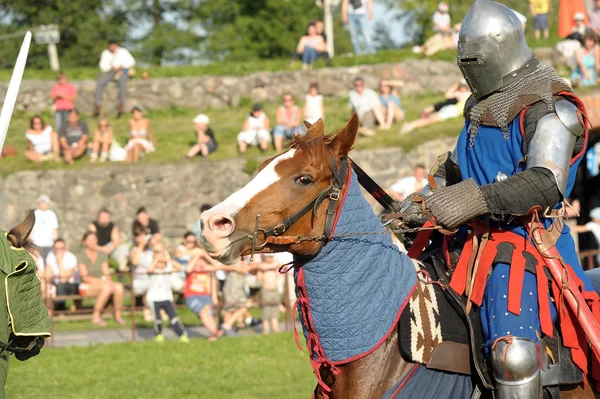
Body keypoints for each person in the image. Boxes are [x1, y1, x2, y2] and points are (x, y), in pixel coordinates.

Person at [387, 1, 597, 396]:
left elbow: (545, 181)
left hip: (524, 245)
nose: (468, 69)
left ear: (499, 51)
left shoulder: (551, 106)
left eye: (474, 60)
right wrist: (422, 202)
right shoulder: (480, 106)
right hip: (467, 243)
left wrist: (475, 199)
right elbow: (455, 171)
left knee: (512, 355)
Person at [78, 231, 125, 326]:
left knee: (119, 287)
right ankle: (96, 317)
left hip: (102, 283)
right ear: (84, 241)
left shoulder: (101, 254)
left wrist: (106, 280)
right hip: (86, 286)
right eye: (89, 240)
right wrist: (104, 282)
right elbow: (85, 277)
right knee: (106, 288)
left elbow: (106, 272)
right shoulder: (81, 256)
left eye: (94, 239)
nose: (92, 242)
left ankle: (118, 315)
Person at [147, 241, 189, 343]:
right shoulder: (153, 271)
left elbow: (180, 267)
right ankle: (159, 335)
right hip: (154, 298)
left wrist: (167, 259)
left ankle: (182, 335)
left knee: (174, 318)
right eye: (159, 262)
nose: (161, 263)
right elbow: (149, 269)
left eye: (162, 262)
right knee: (157, 319)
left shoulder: (168, 269)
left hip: (167, 298)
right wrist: (156, 259)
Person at [400, 80, 471, 134]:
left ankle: (411, 124)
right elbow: (447, 95)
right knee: (433, 119)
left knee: (432, 117)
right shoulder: (461, 93)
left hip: (453, 109)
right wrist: (457, 84)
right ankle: (412, 125)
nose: (463, 88)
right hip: (453, 110)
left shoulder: (467, 93)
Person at [185, 246, 222, 341]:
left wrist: (204, 255)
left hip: (205, 297)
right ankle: (215, 333)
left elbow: (216, 266)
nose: (199, 261)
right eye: (197, 259)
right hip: (192, 296)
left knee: (209, 315)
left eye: (201, 259)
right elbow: (188, 269)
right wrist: (196, 256)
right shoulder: (191, 268)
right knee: (202, 313)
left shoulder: (205, 268)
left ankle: (214, 335)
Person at [95, 39, 136, 117]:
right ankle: (97, 104)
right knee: (100, 81)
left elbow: (131, 62)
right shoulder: (105, 53)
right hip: (110, 72)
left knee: (122, 83)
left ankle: (121, 104)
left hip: (121, 71)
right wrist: (111, 67)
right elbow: (102, 65)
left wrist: (121, 66)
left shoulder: (123, 52)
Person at [45, 238, 79, 311]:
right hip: (56, 283)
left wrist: (59, 261)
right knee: (46, 287)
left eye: (62, 248)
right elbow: (48, 276)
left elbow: (64, 279)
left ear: (65, 248)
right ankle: (48, 311)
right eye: (57, 248)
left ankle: (60, 309)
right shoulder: (50, 256)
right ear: (53, 249)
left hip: (71, 284)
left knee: (61, 286)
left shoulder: (71, 257)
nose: (59, 251)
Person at [30, 195, 59, 262]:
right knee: (38, 263)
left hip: (49, 244)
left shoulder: (52, 214)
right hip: (36, 244)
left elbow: (55, 229)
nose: (43, 204)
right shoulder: (35, 213)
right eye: (41, 202)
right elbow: (31, 229)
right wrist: (31, 242)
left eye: (45, 202)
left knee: (49, 262)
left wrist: (55, 242)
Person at [258, 254, 281, 335]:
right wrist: (272, 266)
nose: (270, 258)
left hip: (274, 290)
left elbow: (279, 264)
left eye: (271, 256)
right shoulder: (262, 266)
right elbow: (260, 274)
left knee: (275, 310)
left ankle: (276, 328)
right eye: (268, 257)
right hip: (266, 291)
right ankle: (266, 329)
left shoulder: (275, 264)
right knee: (266, 311)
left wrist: (274, 265)